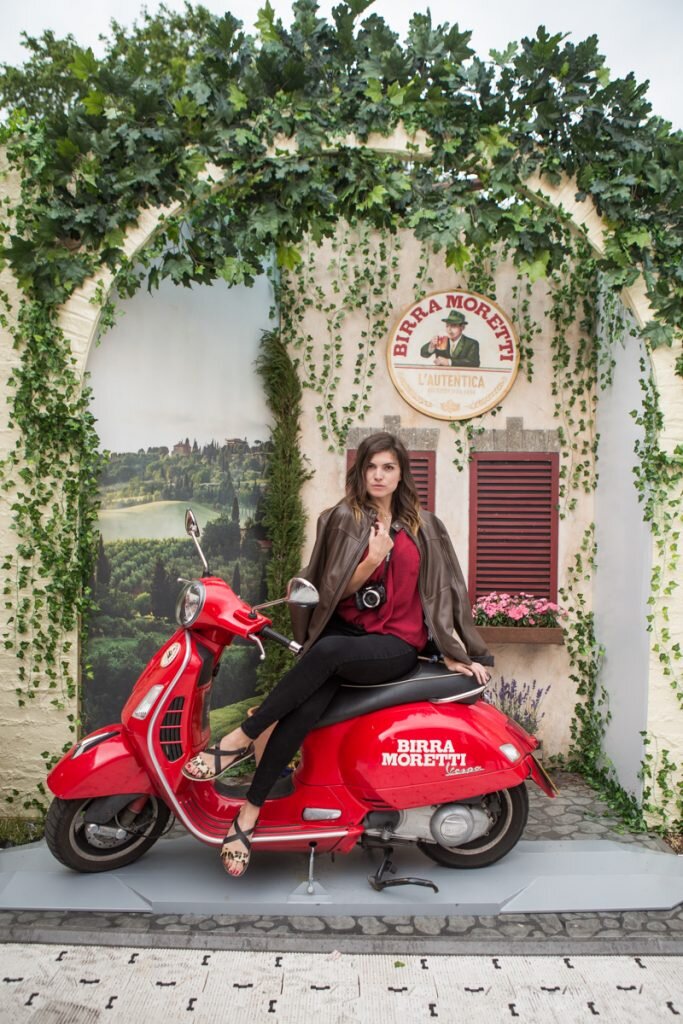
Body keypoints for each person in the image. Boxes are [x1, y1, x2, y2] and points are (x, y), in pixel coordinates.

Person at [182, 432, 491, 876]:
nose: (379, 475)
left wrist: (457, 650)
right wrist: (370, 561)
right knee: (301, 712)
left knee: (326, 653)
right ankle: (248, 813)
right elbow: (329, 593)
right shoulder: (342, 519)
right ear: (360, 472)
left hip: (395, 644)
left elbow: (449, 592)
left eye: (388, 467)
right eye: (371, 467)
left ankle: (242, 737)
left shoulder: (426, 527)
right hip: (347, 636)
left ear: (402, 472)